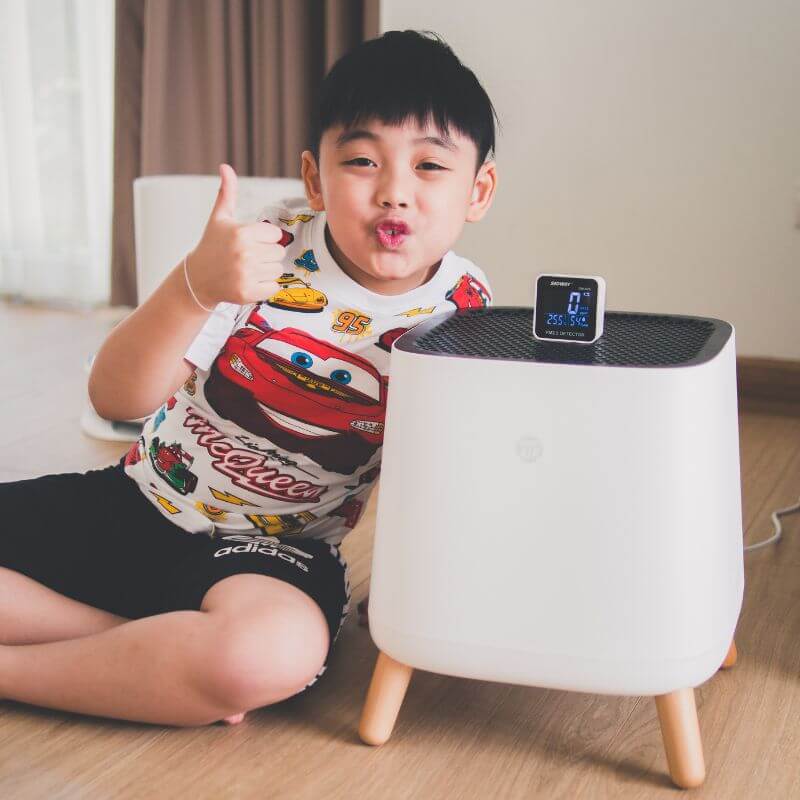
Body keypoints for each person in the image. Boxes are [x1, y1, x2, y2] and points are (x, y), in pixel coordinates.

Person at [0, 29, 499, 727]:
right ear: (314, 178)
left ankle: (37, 666)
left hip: (275, 555)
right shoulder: (260, 252)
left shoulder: (467, 311)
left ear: (478, 190)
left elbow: (441, 476)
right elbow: (114, 398)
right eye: (361, 160)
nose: (394, 193)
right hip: (140, 503)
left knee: (263, 655)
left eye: (429, 168)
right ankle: (144, 656)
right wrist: (193, 289)